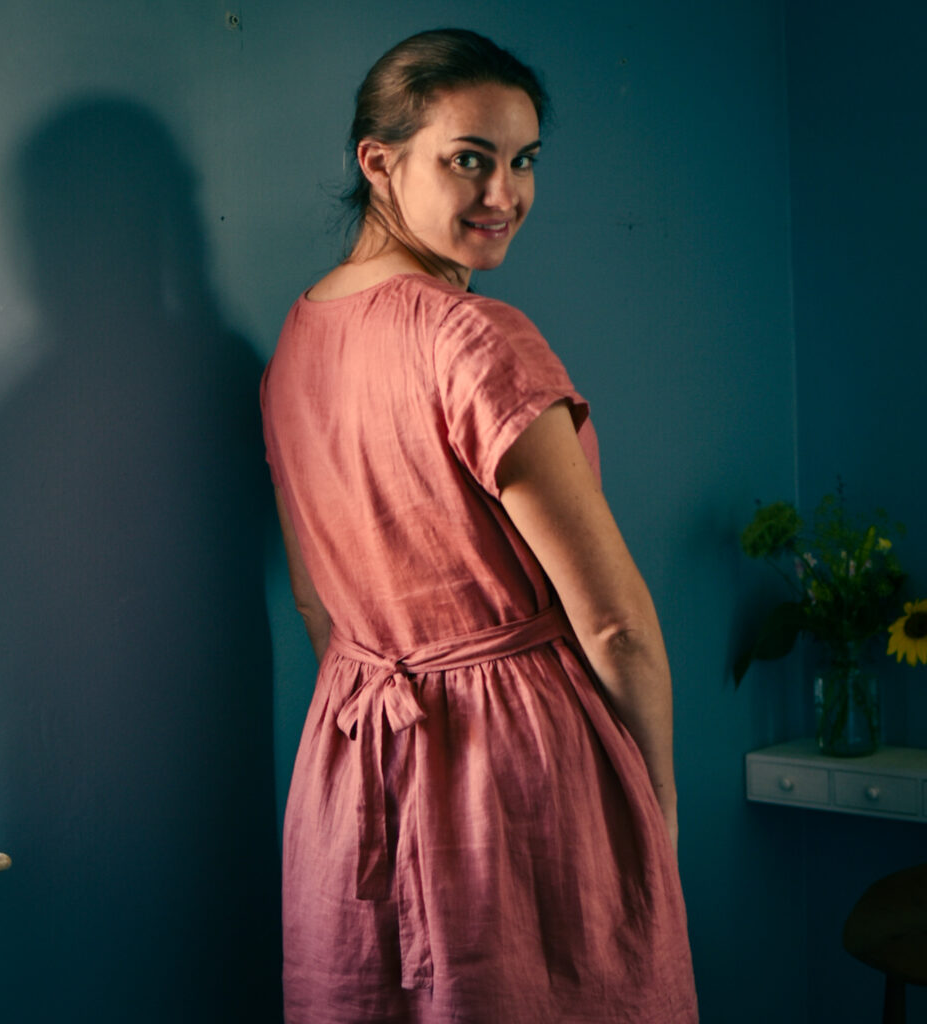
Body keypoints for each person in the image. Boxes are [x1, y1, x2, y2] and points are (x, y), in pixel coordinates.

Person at [261, 28, 698, 1023]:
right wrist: (655, 803)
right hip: (516, 767)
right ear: (379, 163)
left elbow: (314, 601)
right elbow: (615, 622)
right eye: (469, 159)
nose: (504, 193)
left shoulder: (294, 343)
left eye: (522, 161)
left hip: (347, 762)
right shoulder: (475, 336)